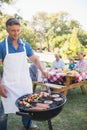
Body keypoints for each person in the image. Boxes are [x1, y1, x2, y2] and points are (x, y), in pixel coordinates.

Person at [0, 18, 48, 130]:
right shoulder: (2, 46)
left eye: (18, 30)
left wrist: (42, 70)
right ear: (7, 30)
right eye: (13, 30)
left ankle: (28, 124)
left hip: (24, 83)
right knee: (3, 111)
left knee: (29, 106)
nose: (16, 33)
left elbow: (35, 59)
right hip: (8, 85)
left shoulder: (24, 45)